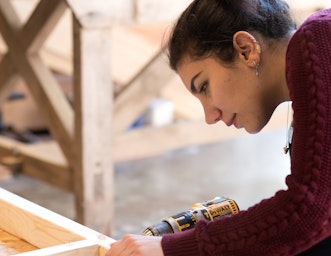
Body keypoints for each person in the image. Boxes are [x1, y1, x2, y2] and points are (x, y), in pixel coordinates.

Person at [106, 0, 331, 255]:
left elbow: (309, 210)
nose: (209, 116)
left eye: (204, 86)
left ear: (246, 50)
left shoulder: (318, 39)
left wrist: (173, 248)